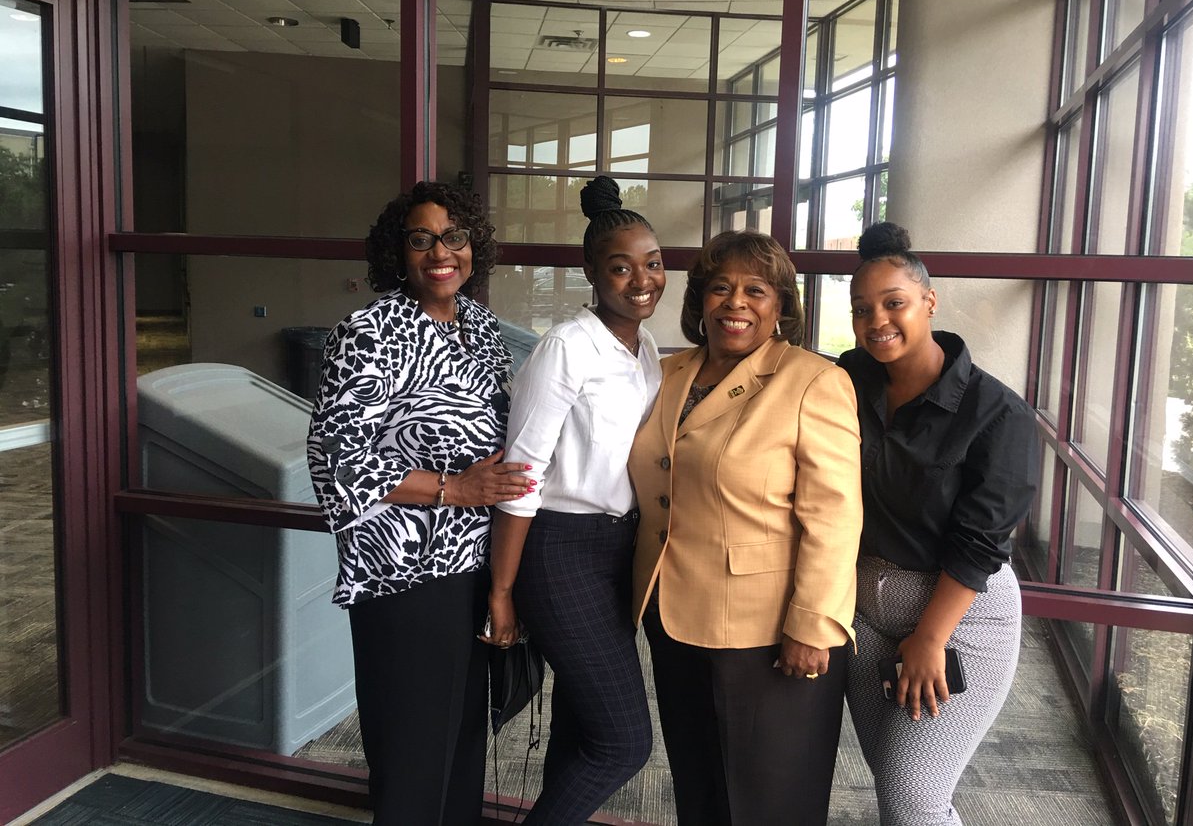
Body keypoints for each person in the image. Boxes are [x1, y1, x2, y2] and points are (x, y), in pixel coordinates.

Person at [306, 181, 534, 826]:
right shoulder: (370, 330)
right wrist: (454, 487)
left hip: (471, 561)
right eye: (421, 238)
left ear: (473, 248)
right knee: (411, 746)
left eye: (454, 237)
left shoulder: (481, 327)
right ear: (398, 253)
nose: (441, 251)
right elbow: (335, 454)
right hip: (401, 572)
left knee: (462, 739)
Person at [629, 230, 863, 826]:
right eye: (720, 288)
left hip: (770, 632)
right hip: (674, 616)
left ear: (780, 306)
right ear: (699, 301)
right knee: (700, 788)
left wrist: (813, 624)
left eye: (755, 290)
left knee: (768, 802)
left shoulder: (813, 381)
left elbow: (835, 517)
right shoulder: (665, 372)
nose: (736, 302)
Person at [838, 221, 1038, 826]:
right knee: (895, 783)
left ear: (929, 301)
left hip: (957, 614)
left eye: (894, 303)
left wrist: (929, 638)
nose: (879, 321)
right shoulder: (847, 379)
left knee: (913, 799)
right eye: (862, 309)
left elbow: (981, 542)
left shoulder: (996, 412)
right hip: (864, 607)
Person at [482, 175, 664, 825]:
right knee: (623, 742)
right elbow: (521, 474)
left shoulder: (644, 353)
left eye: (653, 263)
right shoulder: (566, 348)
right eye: (621, 267)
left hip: (618, 549)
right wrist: (502, 593)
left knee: (583, 727)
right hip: (559, 551)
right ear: (590, 272)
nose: (641, 279)